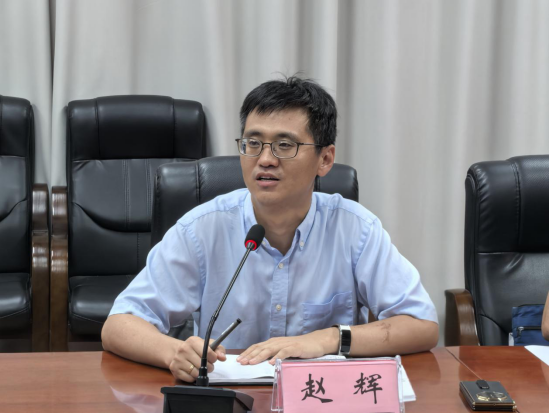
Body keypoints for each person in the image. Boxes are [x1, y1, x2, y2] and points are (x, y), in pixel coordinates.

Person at [102, 76, 439, 382]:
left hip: (320, 398)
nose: (265, 159)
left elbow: (421, 325)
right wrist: (174, 352)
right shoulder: (202, 229)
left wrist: (327, 338)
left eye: (285, 145)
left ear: (325, 159)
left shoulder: (355, 230)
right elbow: (119, 324)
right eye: (253, 143)